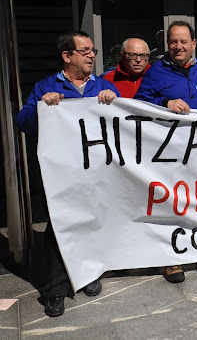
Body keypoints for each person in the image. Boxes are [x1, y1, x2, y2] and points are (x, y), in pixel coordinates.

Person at [16, 31, 119, 317]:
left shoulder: (105, 86)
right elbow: (23, 123)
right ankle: (55, 290)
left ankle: (87, 274)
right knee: (58, 228)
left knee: (91, 221)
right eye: (85, 51)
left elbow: (124, 121)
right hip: (60, 175)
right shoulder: (45, 86)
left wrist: (115, 100)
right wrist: (41, 107)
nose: (91, 56)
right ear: (67, 56)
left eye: (93, 51)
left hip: (96, 173)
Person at [135, 20, 197, 283]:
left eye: (183, 41)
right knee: (171, 201)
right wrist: (165, 102)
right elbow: (140, 102)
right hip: (169, 151)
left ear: (193, 44)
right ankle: (171, 258)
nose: (178, 46)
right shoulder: (155, 72)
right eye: (173, 41)